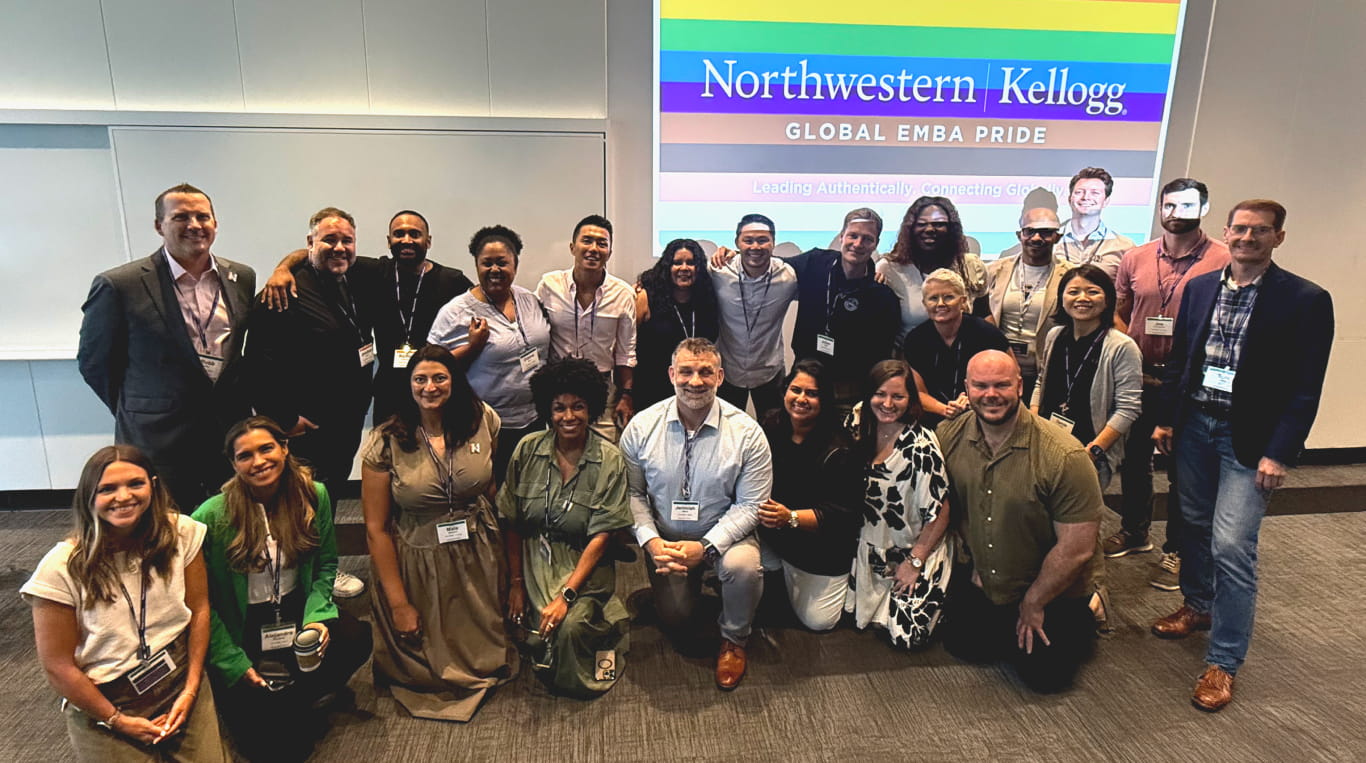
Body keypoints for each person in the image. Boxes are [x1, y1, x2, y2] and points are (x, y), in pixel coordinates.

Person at [1151, 200, 1333, 712]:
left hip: (1249, 441)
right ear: (1226, 233)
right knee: (1190, 524)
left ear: (1279, 237)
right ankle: (1199, 604)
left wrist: (1281, 453)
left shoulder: (1306, 299)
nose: (1248, 238)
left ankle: (1223, 662)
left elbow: (1305, 388)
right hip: (1194, 428)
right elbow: (1182, 360)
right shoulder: (1201, 287)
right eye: (1240, 229)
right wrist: (1167, 418)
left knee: (1232, 544)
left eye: (1260, 231)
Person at [23, 445, 227, 762]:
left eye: (135, 484)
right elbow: (58, 666)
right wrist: (117, 719)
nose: (124, 496)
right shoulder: (60, 567)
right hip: (105, 700)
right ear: (89, 497)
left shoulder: (181, 532)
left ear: (153, 486)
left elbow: (199, 611)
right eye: (108, 489)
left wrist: (191, 688)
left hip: (179, 678)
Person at [192, 417, 372, 761]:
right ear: (233, 464)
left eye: (266, 449)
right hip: (241, 626)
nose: (258, 462)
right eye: (245, 456)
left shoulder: (313, 494)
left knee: (354, 636)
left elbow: (325, 566)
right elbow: (202, 603)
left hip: (292, 612)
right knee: (283, 751)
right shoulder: (210, 517)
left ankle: (300, 695)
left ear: (285, 448)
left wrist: (317, 618)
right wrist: (232, 662)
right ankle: (273, 699)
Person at [360, 345, 517, 721]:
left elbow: (491, 485)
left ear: (454, 382)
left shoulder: (483, 419)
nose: (430, 387)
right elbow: (375, 529)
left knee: (488, 645)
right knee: (422, 655)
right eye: (420, 379)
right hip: (419, 556)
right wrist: (399, 604)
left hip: (478, 545)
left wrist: (515, 570)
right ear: (409, 385)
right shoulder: (386, 440)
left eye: (439, 378)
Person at [78, 183, 256, 513]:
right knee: (166, 529)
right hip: (157, 436)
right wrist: (139, 407)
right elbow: (94, 363)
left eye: (203, 216)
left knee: (228, 522)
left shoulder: (241, 276)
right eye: (180, 217)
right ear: (159, 226)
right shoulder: (121, 284)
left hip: (226, 430)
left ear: (215, 223)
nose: (194, 225)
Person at [938, 350, 1102, 693]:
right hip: (987, 581)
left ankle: (1092, 603)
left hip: (1046, 587)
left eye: (1001, 385)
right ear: (966, 389)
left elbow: (1077, 548)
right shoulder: (949, 435)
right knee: (966, 647)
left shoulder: (1065, 456)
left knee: (1046, 680)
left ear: (1020, 386)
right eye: (980, 386)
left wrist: (1035, 602)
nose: (991, 395)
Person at [620, 338, 771, 690]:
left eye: (705, 372)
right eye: (686, 371)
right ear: (672, 374)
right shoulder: (642, 428)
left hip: (725, 533)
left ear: (720, 375)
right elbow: (631, 493)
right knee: (676, 619)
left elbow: (751, 505)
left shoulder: (748, 433)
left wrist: (705, 548)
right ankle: (677, 592)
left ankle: (735, 637)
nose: (695, 381)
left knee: (743, 568)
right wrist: (651, 541)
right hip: (667, 540)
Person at [1112, 178, 1229, 589]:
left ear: (1204, 209)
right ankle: (1135, 531)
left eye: (1187, 205)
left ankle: (1176, 550)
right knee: (1134, 459)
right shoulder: (1136, 257)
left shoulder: (1223, 259)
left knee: (1184, 467)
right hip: (1139, 375)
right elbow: (1119, 309)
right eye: (1169, 204)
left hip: (1189, 382)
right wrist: (1126, 347)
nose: (1176, 212)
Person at [496, 359, 633, 697]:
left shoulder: (609, 459)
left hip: (584, 561)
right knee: (532, 627)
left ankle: (603, 626)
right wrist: (515, 584)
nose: (568, 417)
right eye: (559, 408)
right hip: (534, 559)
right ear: (547, 409)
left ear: (592, 409)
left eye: (578, 407)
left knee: (568, 626)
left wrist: (567, 595)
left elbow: (602, 538)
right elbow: (512, 521)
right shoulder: (527, 449)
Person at [261, 210, 474, 425]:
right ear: (389, 241)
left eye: (415, 234)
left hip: (436, 391)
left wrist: (472, 347)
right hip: (389, 394)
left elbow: (479, 302)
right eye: (399, 234)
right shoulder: (374, 271)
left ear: (428, 241)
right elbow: (317, 253)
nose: (406, 240)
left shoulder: (452, 281)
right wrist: (283, 268)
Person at [246, 207, 374, 497]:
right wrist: (284, 419)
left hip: (345, 423)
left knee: (330, 499)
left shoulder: (355, 278)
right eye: (329, 239)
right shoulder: (281, 294)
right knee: (300, 507)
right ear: (310, 242)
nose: (339, 248)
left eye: (347, 240)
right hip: (306, 430)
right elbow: (257, 364)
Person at [428, 225, 551, 484]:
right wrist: (473, 346)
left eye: (502, 263)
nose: (495, 270)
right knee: (489, 492)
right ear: (476, 265)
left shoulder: (529, 299)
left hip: (533, 419)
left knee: (529, 490)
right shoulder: (456, 311)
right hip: (483, 423)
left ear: (515, 265)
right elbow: (431, 368)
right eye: (487, 263)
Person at [844, 360, 953, 648]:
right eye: (880, 394)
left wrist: (915, 562)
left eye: (898, 396)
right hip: (870, 542)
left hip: (912, 547)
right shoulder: (857, 421)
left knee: (908, 636)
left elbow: (941, 512)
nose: (888, 404)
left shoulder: (922, 447)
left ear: (911, 400)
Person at [755, 359, 862, 632]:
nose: (801, 399)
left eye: (812, 394)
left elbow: (842, 517)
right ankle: (775, 571)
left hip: (819, 545)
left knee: (820, 622)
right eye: (796, 390)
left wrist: (789, 517)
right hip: (772, 533)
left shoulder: (840, 450)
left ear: (825, 399)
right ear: (785, 391)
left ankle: (783, 577)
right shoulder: (770, 423)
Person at [1031, 265, 1142, 490]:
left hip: (1088, 451)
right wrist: (1031, 426)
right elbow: (1041, 381)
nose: (1082, 298)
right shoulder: (1055, 335)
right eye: (1073, 292)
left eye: (1092, 291)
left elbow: (1128, 409)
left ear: (1108, 299)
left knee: (1076, 519)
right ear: (1062, 298)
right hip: (1045, 442)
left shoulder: (1121, 346)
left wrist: (1093, 451)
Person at [535, 215, 637, 436]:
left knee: (606, 450)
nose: (593, 249)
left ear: (609, 252)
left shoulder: (623, 294)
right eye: (587, 241)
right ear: (573, 247)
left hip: (601, 386)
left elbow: (626, 352)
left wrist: (626, 395)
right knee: (558, 450)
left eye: (602, 244)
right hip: (558, 385)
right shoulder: (549, 286)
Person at [709, 214, 799, 416]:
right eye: (748, 241)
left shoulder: (789, 276)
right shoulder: (718, 271)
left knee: (775, 435)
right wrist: (643, 284)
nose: (755, 247)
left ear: (773, 243)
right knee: (726, 435)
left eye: (763, 240)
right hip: (727, 370)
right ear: (737, 243)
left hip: (769, 371)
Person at [901, 268, 1010, 428]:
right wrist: (946, 410)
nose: (940, 304)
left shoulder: (987, 334)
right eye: (933, 298)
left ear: (963, 301)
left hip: (983, 417)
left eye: (948, 297)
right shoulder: (915, 340)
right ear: (924, 304)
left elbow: (1010, 379)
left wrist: (973, 402)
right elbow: (918, 393)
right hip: (934, 420)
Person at [986, 207, 1073, 401]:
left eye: (1045, 232)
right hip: (998, 368)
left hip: (1046, 370)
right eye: (1030, 231)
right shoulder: (994, 270)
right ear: (1019, 235)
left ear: (1057, 237)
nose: (1036, 238)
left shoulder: (1070, 275)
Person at [879, 196, 989, 344]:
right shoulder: (889, 268)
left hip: (963, 359)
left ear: (951, 229)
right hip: (909, 358)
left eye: (938, 224)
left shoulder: (971, 266)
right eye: (921, 224)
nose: (930, 229)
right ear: (910, 229)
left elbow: (985, 318)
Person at [1002, 167, 1135, 279]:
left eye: (1095, 193)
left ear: (1106, 201)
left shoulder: (1124, 247)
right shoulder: (1045, 240)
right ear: (1070, 198)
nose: (1086, 197)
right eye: (1079, 192)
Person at [633, 238, 719, 410]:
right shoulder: (646, 297)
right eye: (677, 263)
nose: (684, 268)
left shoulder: (708, 300)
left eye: (691, 263)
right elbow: (625, 346)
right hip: (651, 390)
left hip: (695, 388)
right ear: (667, 267)